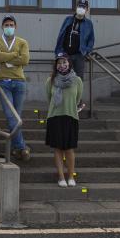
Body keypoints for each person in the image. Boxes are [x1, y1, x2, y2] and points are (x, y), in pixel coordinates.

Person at [0, 15, 31, 161]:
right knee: (10, 116)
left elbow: (25, 59)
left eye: (11, 24)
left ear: (15, 26)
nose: (9, 27)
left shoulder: (22, 42)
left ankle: (16, 147)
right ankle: (21, 147)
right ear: (2, 27)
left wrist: (5, 57)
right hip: (2, 82)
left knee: (16, 117)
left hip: (19, 82)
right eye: (6, 25)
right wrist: (14, 55)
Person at [45, 53, 83, 187]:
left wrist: (68, 106)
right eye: (59, 63)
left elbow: (77, 98)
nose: (62, 65)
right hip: (55, 116)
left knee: (69, 149)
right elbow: (49, 99)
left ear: (69, 64)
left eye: (64, 62)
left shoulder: (77, 80)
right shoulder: (51, 80)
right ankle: (61, 177)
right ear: (56, 65)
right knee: (58, 149)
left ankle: (71, 176)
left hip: (71, 116)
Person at [54, 0, 95, 80]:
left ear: (87, 9)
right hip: (65, 54)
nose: (81, 8)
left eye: (84, 7)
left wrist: (87, 50)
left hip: (79, 55)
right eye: (80, 6)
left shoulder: (88, 23)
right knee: (63, 77)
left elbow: (91, 39)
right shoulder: (68, 19)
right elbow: (61, 35)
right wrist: (59, 51)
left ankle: (78, 93)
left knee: (78, 79)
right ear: (76, 7)